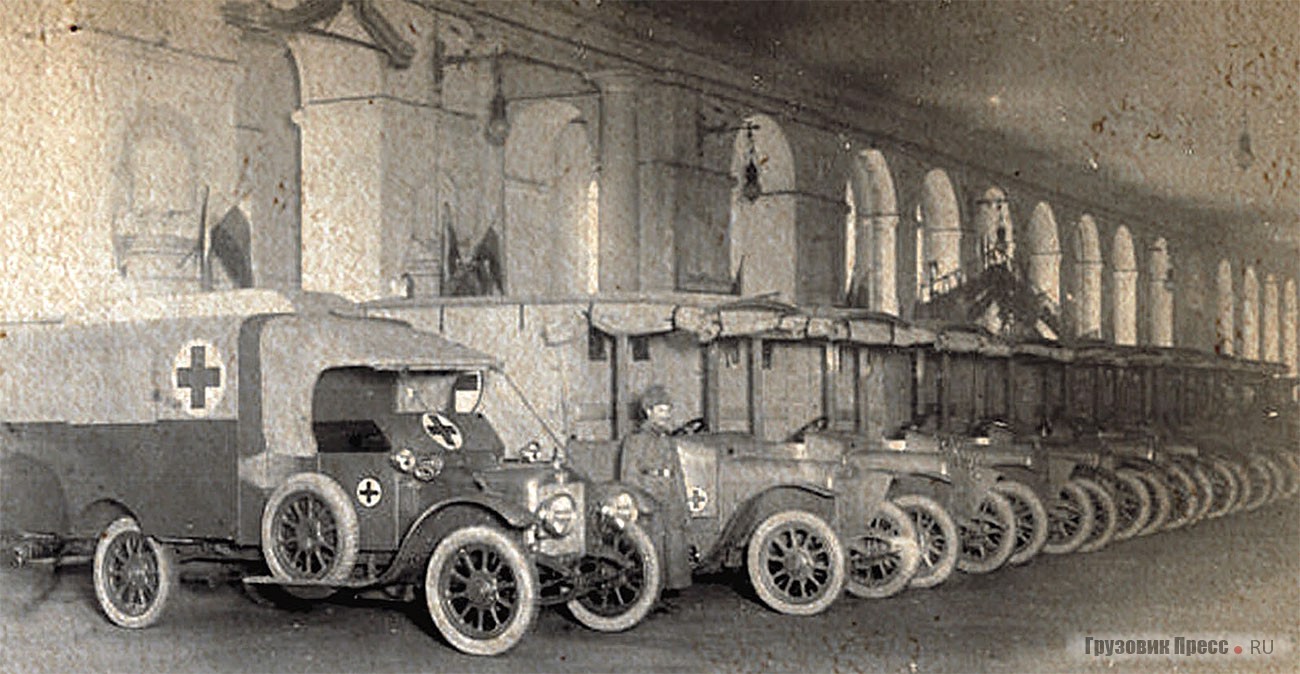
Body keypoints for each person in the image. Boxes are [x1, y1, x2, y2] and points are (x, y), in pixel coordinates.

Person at [617, 385, 692, 589]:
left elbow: (677, 473)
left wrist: (683, 505)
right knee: (653, 544)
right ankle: (651, 591)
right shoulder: (635, 440)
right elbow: (629, 475)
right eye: (660, 410)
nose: (665, 415)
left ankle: (669, 588)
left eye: (668, 410)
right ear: (648, 412)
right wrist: (640, 504)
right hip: (649, 494)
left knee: (673, 542)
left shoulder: (668, 440)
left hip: (670, 493)